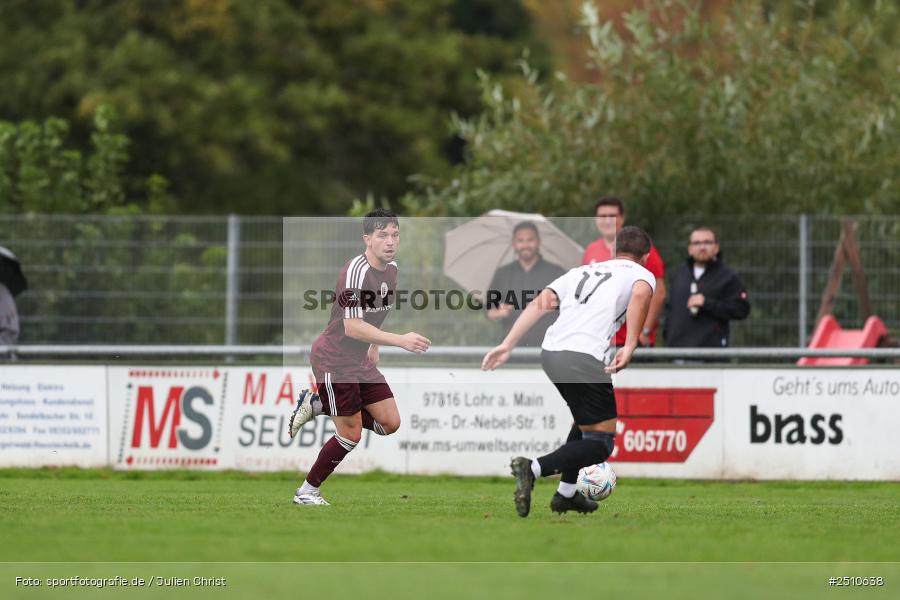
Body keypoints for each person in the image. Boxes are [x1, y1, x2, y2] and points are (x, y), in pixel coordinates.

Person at [482, 226, 655, 517]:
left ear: (614, 252)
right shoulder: (641, 273)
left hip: (551, 353)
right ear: (646, 257)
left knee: (583, 422)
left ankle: (566, 493)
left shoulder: (581, 271)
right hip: (583, 356)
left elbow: (540, 303)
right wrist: (631, 344)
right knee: (600, 444)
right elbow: (640, 295)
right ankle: (532, 468)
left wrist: (507, 344)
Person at [287, 208, 431, 506]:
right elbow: (352, 327)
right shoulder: (355, 271)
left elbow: (376, 310)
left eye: (395, 235)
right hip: (334, 359)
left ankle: (319, 405)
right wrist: (399, 340)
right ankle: (307, 492)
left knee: (389, 423)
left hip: (359, 360)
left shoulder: (392, 269)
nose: (390, 241)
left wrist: (374, 344)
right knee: (350, 434)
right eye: (382, 235)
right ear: (367, 239)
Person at [582, 197, 666, 348]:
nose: (607, 220)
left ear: (621, 218)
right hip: (599, 340)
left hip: (631, 340)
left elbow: (658, 293)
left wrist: (645, 330)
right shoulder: (591, 250)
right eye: (602, 216)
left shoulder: (641, 247)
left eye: (612, 216)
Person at [663, 226, 750, 348]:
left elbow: (741, 310)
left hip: (710, 352)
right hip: (678, 349)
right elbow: (669, 308)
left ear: (716, 248)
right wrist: (668, 333)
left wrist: (707, 304)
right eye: (697, 243)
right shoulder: (678, 274)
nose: (702, 247)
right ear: (690, 249)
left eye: (707, 242)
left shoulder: (728, 276)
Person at [485, 222, 565, 346]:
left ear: (538, 241)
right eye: (520, 240)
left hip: (548, 346)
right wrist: (497, 312)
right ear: (514, 243)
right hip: (509, 346)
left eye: (530, 240)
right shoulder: (502, 274)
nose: (525, 245)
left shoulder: (556, 273)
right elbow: (489, 310)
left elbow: (567, 309)